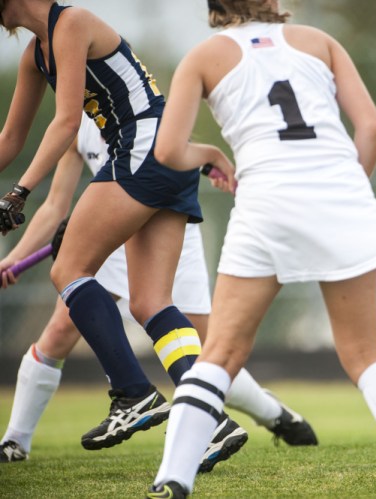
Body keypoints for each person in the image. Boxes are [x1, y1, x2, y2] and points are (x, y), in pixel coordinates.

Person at [145, 1, 376, 497]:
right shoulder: (319, 41)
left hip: (267, 199)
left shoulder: (202, 57)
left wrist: (213, 155)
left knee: (219, 353)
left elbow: (167, 152)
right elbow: (370, 128)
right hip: (341, 194)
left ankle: (172, 483)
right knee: (366, 353)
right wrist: (345, 197)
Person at [0, 0, 243, 471]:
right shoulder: (35, 54)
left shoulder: (71, 22)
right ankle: (210, 420)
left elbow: (67, 121)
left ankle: (133, 393)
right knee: (149, 301)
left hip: (144, 146)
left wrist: (17, 192)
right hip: (166, 152)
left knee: (69, 268)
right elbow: (10, 138)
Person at [0, 115, 318, 465]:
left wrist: (210, 159)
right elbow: (54, 206)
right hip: (115, 234)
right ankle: (15, 441)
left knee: (208, 348)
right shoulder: (72, 123)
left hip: (168, 229)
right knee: (61, 328)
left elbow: (186, 151)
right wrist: (14, 258)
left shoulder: (133, 104)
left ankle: (272, 414)